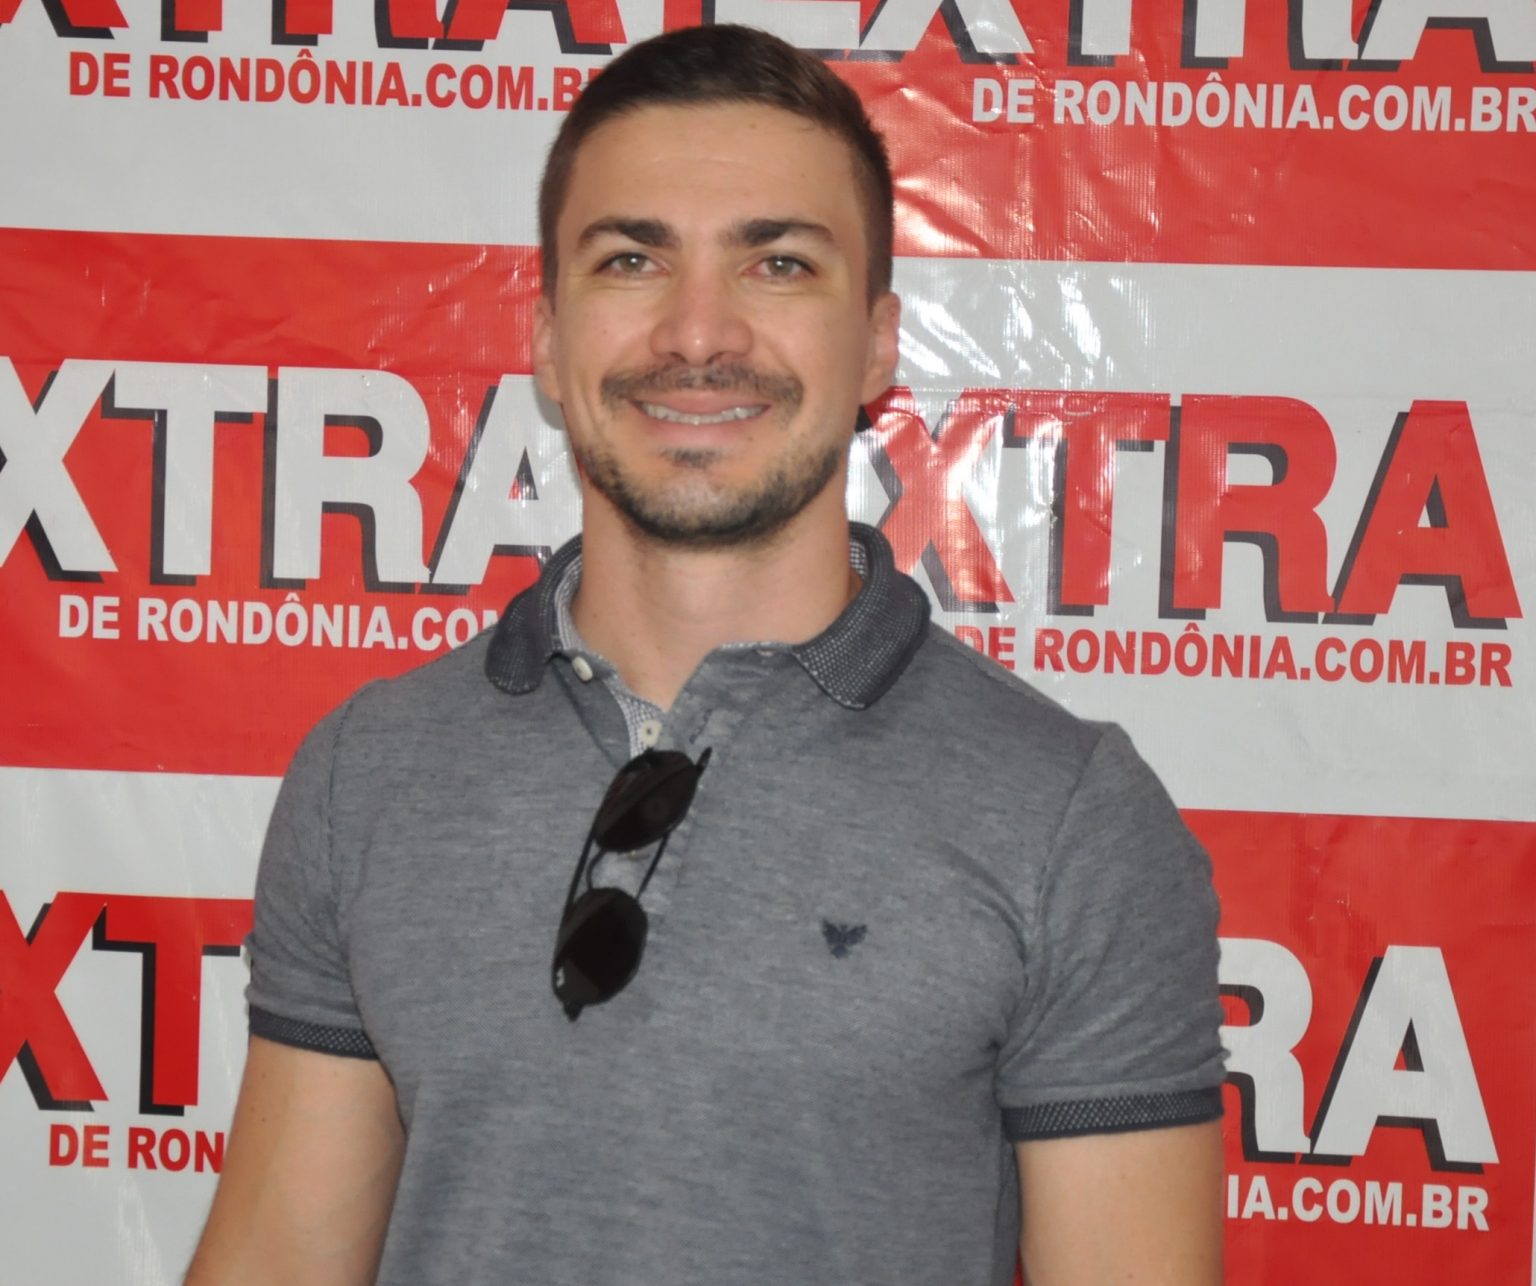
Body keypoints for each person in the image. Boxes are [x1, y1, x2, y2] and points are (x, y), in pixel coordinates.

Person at [188, 23, 1226, 1286]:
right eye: (632, 259)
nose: (696, 332)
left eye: (777, 263)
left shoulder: (1070, 818)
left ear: (879, 342)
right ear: (548, 336)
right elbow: (279, 1258)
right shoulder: (370, 772)